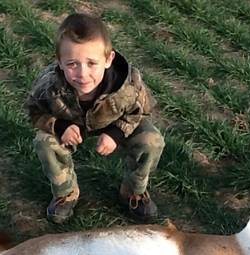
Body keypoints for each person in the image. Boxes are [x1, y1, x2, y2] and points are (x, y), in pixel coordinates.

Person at [26, 12, 165, 224]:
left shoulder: (128, 84)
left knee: (152, 141)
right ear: (59, 62)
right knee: (44, 142)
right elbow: (33, 111)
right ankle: (66, 193)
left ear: (108, 59)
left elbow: (140, 111)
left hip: (114, 121)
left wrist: (116, 133)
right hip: (71, 124)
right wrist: (60, 126)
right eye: (72, 64)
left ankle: (133, 191)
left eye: (92, 63)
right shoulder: (49, 86)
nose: (82, 73)